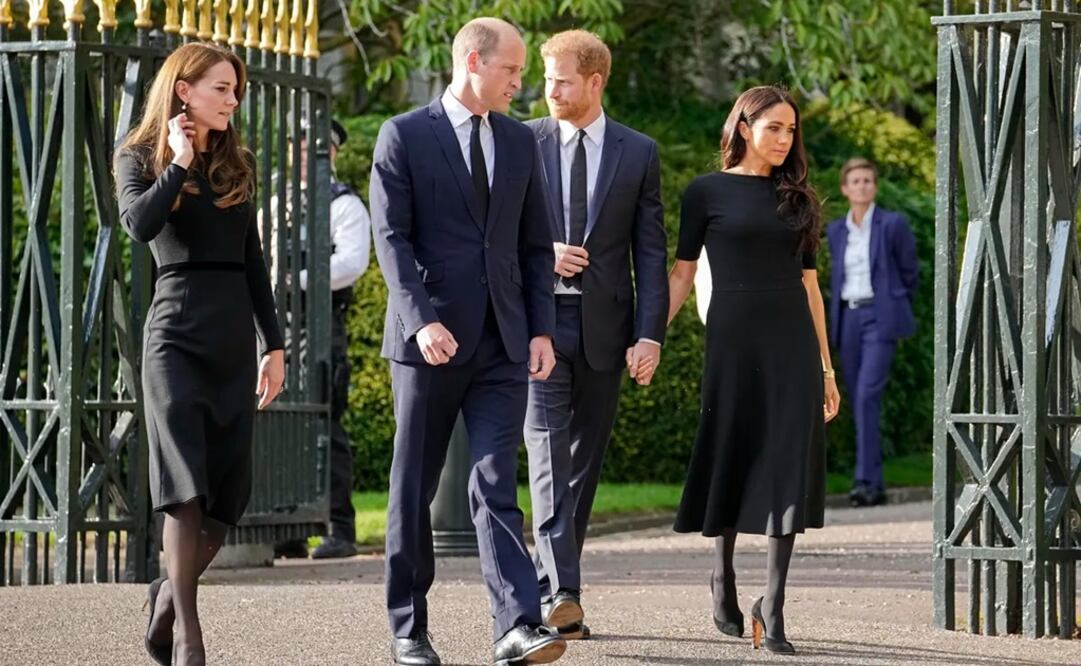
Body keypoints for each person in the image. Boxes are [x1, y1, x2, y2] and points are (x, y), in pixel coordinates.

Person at [370, 17, 566, 666]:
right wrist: (420, 318)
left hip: (504, 343)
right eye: (512, 70)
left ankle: (515, 625)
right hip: (428, 342)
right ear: (474, 63)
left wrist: (540, 327)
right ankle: (408, 629)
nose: (522, 82)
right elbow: (391, 239)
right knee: (412, 488)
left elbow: (535, 245)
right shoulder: (403, 135)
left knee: (494, 483)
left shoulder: (518, 143)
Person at [115, 43, 285, 666]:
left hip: (232, 336)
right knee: (183, 484)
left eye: (235, 90)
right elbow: (138, 225)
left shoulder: (238, 163)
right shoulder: (138, 155)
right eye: (222, 88)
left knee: (227, 492)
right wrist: (179, 163)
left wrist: (275, 343)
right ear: (184, 90)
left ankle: (165, 603)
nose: (232, 100)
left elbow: (254, 259)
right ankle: (189, 634)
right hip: (174, 333)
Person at [666, 85, 840, 655]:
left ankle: (776, 605)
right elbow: (683, 274)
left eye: (791, 130)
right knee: (731, 448)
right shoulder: (706, 192)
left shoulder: (799, 199)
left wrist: (827, 369)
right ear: (744, 127)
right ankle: (722, 574)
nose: (785, 139)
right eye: (774, 128)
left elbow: (811, 286)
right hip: (733, 338)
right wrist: (647, 336)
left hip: (791, 338)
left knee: (788, 461)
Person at [522, 29, 668, 641]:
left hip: (608, 332)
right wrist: (545, 252)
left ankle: (553, 583)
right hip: (540, 328)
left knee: (584, 462)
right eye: (545, 79)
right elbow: (497, 232)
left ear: (594, 81)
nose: (548, 90)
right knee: (550, 453)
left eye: (560, 80)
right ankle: (566, 590)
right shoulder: (522, 141)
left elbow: (651, 252)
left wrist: (650, 335)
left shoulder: (639, 152)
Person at [267, 120, 372, 560]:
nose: (308, 155)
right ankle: (288, 525)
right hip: (281, 321)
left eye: (318, 148)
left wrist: (297, 279)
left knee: (326, 425)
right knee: (282, 423)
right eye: (301, 146)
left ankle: (340, 529)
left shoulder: (344, 204)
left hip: (323, 321)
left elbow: (352, 263)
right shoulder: (278, 201)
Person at [827, 158, 918, 507]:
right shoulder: (837, 231)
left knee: (866, 395)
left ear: (874, 187)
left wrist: (893, 306)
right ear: (845, 189)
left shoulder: (893, 225)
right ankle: (870, 479)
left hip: (879, 319)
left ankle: (867, 482)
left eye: (867, 180)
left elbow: (910, 273)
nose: (862, 186)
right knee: (859, 399)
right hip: (847, 319)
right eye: (855, 181)